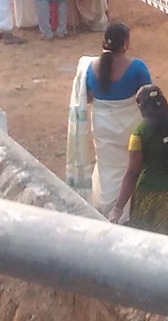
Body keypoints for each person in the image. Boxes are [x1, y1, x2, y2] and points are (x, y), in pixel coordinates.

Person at [66, 22, 155, 211]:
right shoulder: (137, 68)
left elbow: (88, 97)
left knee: (107, 168)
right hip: (132, 127)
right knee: (134, 167)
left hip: (102, 126)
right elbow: (148, 98)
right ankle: (130, 210)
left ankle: (108, 207)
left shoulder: (90, 68)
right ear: (125, 44)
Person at [106, 85, 168, 229]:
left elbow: (132, 173)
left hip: (152, 198)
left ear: (141, 107)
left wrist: (118, 209)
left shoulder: (139, 133)